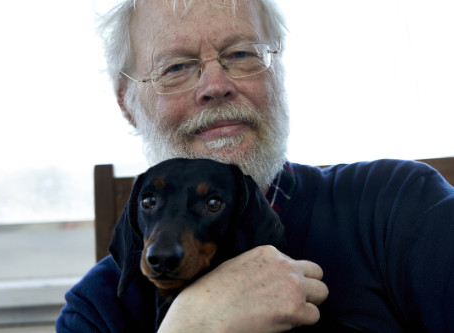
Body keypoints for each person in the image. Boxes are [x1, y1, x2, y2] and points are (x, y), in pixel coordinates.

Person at [56, 0, 454, 332]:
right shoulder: (95, 312)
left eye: (240, 54)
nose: (215, 85)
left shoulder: (402, 205)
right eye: (176, 66)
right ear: (127, 103)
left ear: (277, 72)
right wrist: (193, 326)